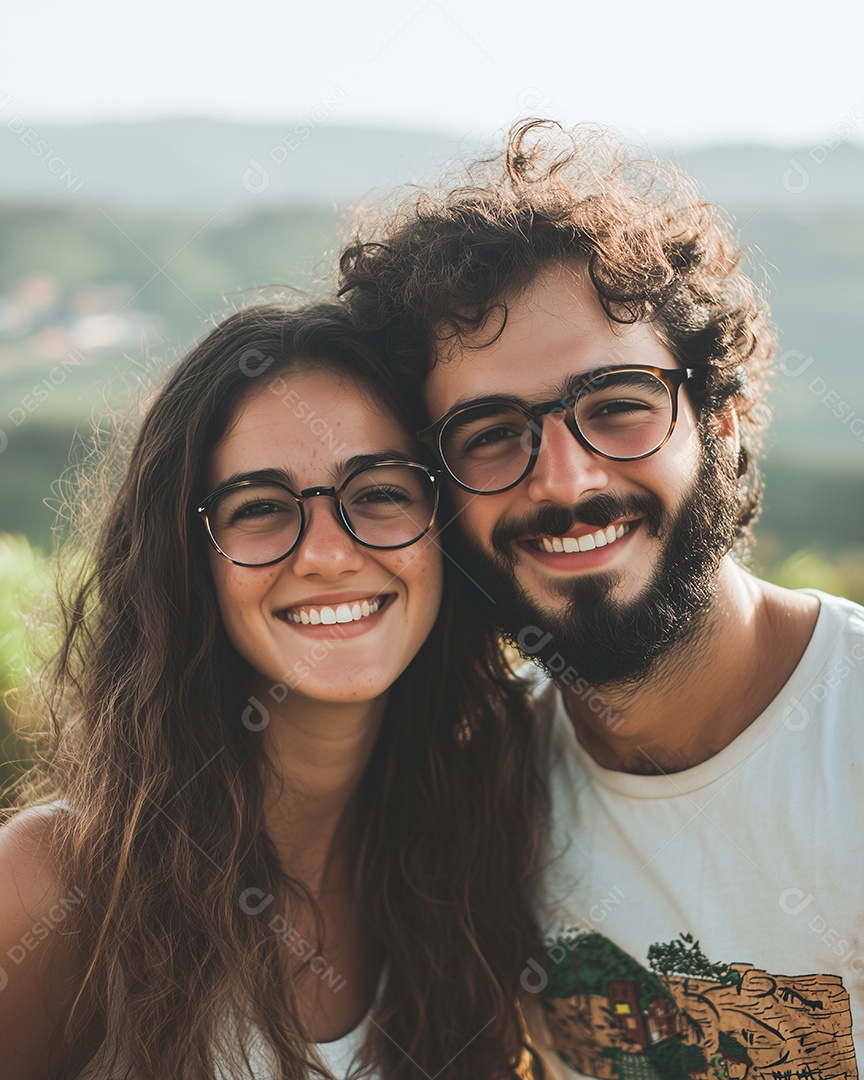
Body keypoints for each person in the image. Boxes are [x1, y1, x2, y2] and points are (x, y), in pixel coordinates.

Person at [338, 121, 864, 1078]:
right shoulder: (485, 794)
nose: (566, 481)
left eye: (619, 402)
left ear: (723, 420)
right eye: (492, 433)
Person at [0, 303, 547, 1079]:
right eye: (259, 508)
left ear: (442, 528)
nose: (328, 553)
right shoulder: (55, 888)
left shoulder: (483, 849)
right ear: (189, 564)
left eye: (380, 492)